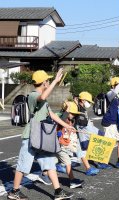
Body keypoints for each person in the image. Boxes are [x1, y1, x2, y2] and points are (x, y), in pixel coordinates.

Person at [7, 69, 74, 200]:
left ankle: (58, 191)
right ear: (44, 83)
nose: (49, 82)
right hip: (31, 136)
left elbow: (52, 114)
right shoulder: (33, 95)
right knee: (23, 165)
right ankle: (14, 191)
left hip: (42, 137)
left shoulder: (44, 100)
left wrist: (67, 126)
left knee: (49, 162)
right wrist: (56, 80)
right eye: (48, 80)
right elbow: (42, 97)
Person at [101, 74, 119, 169]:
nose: (118, 86)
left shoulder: (118, 96)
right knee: (109, 143)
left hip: (117, 123)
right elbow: (116, 90)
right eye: (116, 84)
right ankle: (103, 162)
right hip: (109, 122)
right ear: (112, 86)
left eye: (118, 84)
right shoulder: (110, 94)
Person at [56, 101, 84, 189]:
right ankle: (72, 181)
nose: (73, 115)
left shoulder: (70, 120)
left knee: (50, 162)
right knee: (67, 162)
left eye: (74, 114)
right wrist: (67, 109)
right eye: (72, 113)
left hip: (61, 145)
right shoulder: (61, 118)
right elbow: (62, 120)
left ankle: (44, 175)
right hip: (59, 146)